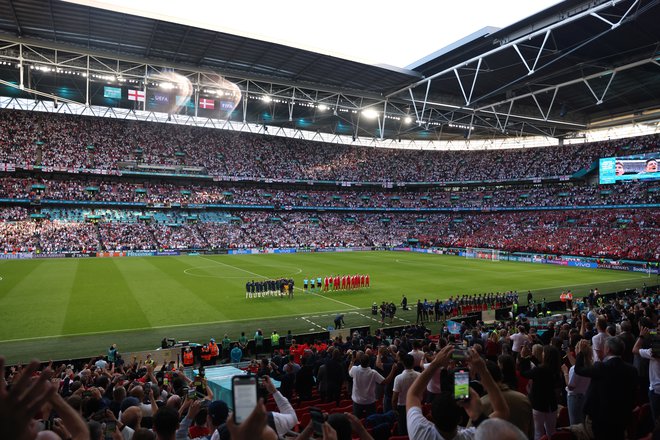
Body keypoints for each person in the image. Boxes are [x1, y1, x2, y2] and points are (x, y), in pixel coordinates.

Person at [406, 345, 510, 440]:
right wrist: (482, 369)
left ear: (430, 416)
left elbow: (413, 394)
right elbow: (502, 411)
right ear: (460, 420)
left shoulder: (419, 432)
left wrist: (435, 363)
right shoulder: (473, 436)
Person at [573, 336, 638, 440]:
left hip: (601, 418)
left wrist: (581, 352)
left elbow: (579, 370)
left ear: (608, 350)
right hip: (622, 415)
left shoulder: (601, 367)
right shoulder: (632, 370)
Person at [633, 326, 660, 426]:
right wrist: (653, 332)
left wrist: (641, 336)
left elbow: (635, 349)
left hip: (656, 390)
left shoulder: (653, 352)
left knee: (656, 420)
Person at [392, 354, 420, 435]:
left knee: (403, 430)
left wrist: (394, 409)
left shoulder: (398, 378)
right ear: (413, 363)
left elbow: (394, 398)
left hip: (402, 407)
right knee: (415, 429)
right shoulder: (419, 375)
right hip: (416, 405)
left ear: (403, 363)